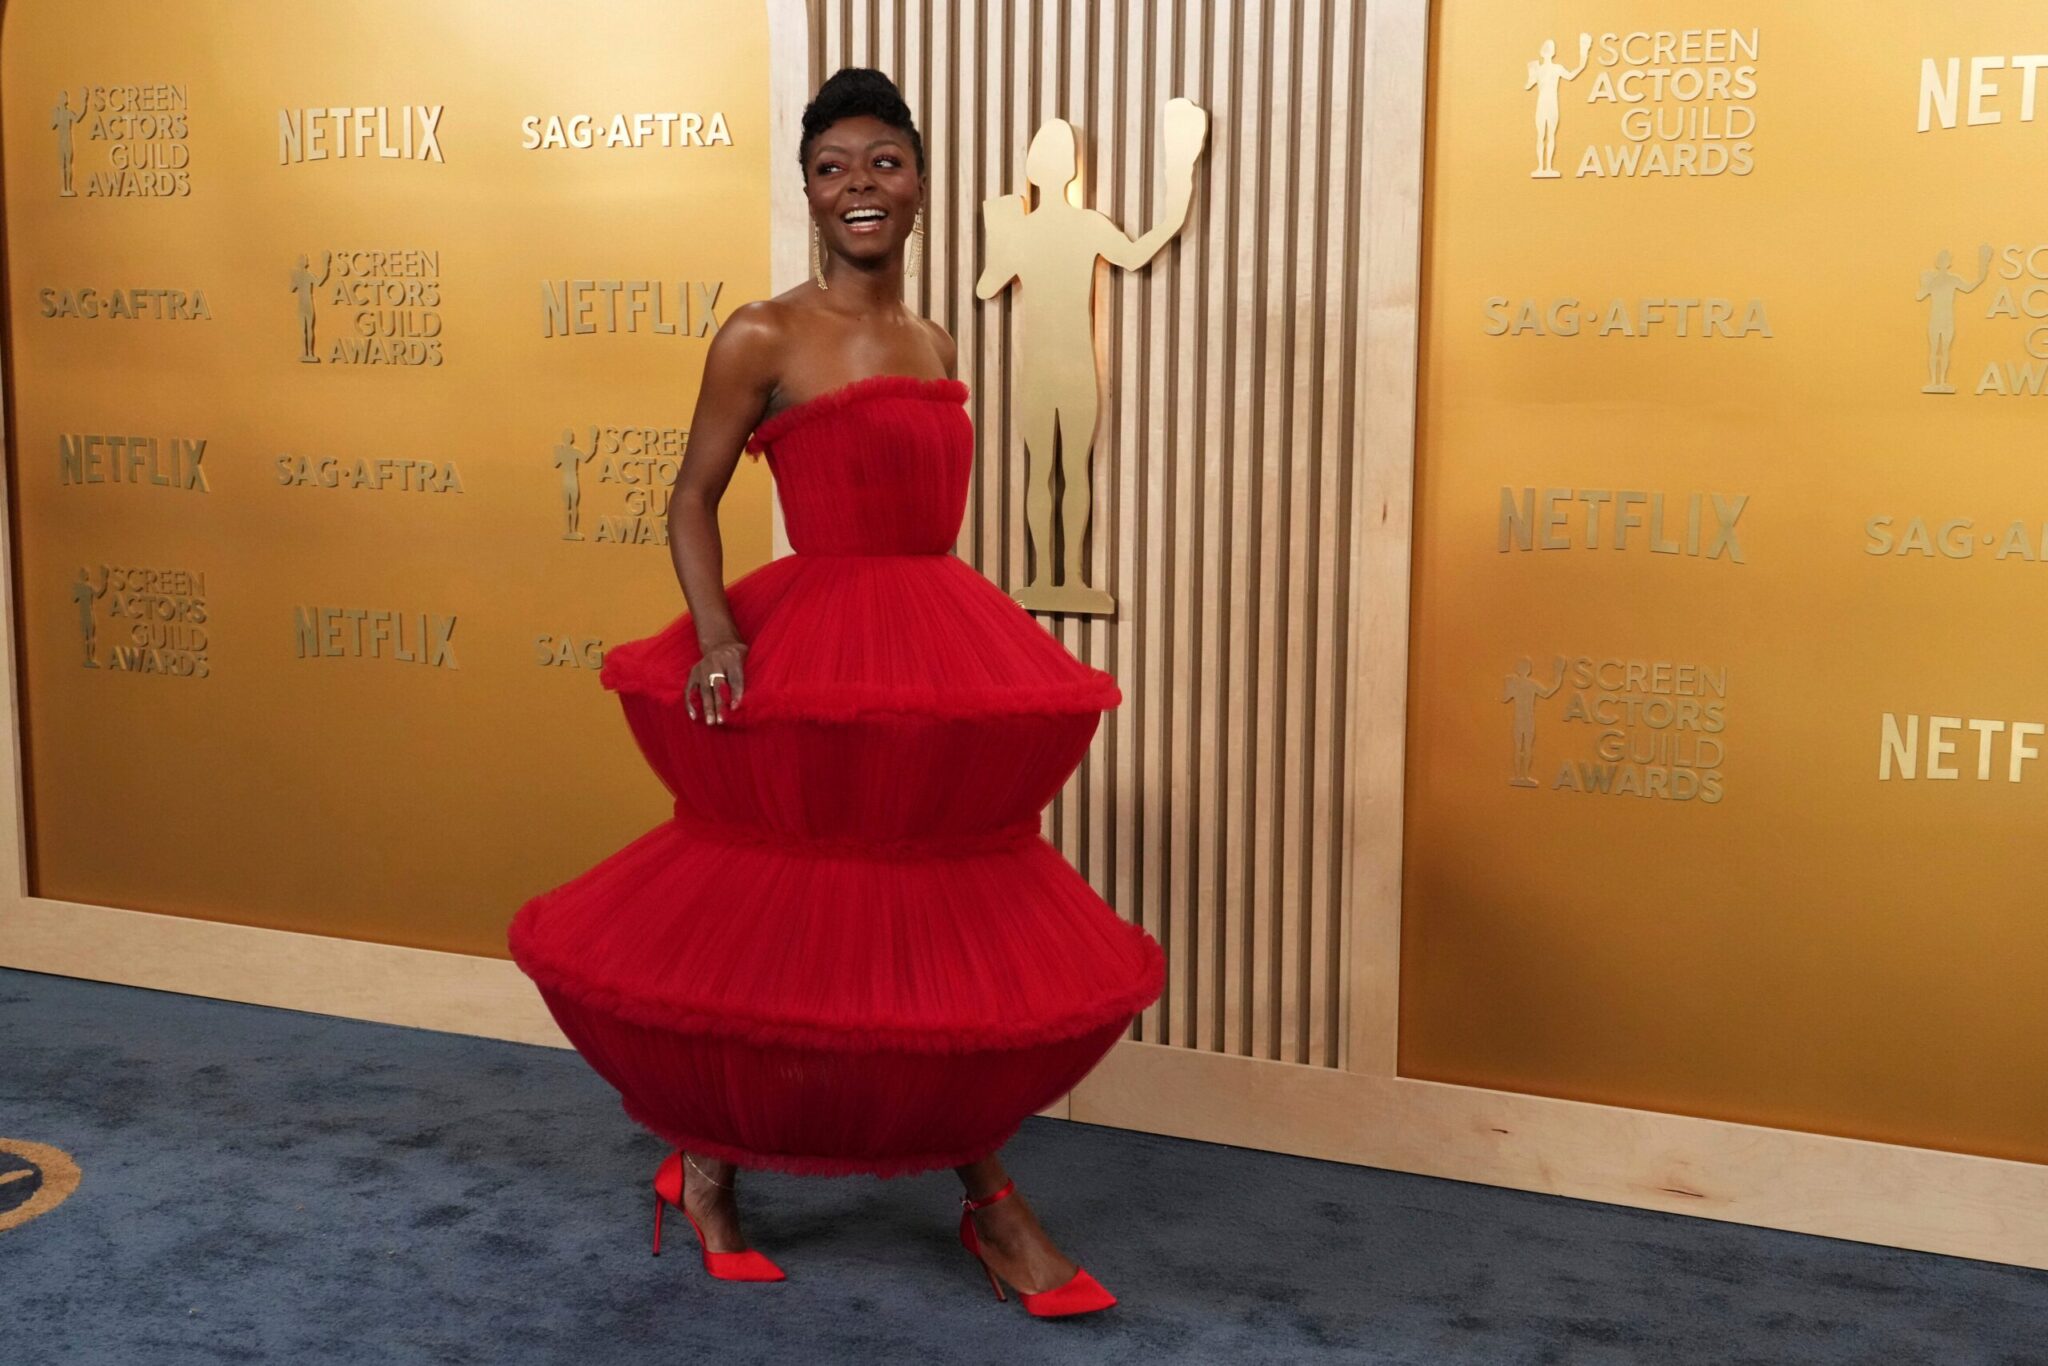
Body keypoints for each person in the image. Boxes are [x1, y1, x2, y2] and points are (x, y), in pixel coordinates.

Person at [508, 67, 1164, 1318]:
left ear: (919, 184)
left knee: (922, 917)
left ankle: (936, 1194)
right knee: (786, 917)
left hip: (929, 643)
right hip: (808, 649)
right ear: (807, 192)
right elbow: (690, 496)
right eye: (830, 168)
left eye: (882, 163)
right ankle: (756, 1175)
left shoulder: (936, 340)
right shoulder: (760, 334)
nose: (858, 185)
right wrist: (715, 636)